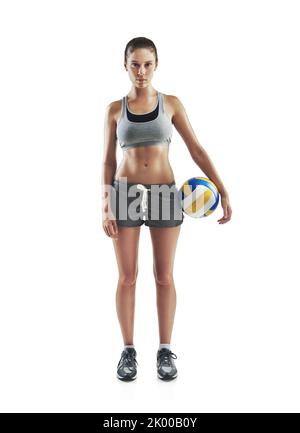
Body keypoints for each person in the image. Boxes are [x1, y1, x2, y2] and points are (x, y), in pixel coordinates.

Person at [102, 37, 232, 381]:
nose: (141, 71)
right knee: (127, 277)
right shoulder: (115, 109)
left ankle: (164, 351)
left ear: (156, 65)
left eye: (147, 64)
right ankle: (128, 352)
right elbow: (107, 161)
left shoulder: (170, 104)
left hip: (164, 193)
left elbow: (197, 149)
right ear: (125, 65)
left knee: (165, 276)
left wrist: (222, 187)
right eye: (135, 64)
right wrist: (106, 204)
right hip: (125, 193)